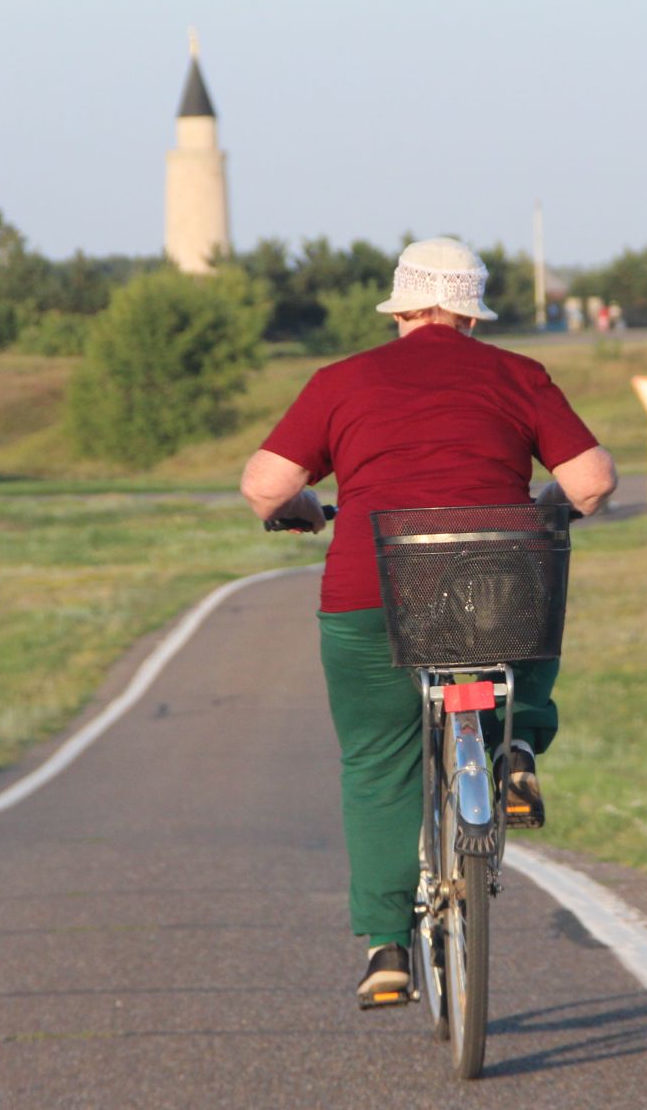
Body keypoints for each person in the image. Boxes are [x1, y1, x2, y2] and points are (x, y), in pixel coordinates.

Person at [240, 236, 617, 1003]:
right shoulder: (518, 375)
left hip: (372, 593)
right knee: (535, 590)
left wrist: (307, 510)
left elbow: (262, 487)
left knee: (378, 761)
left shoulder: (342, 380)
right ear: (472, 315)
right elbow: (592, 481)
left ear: (402, 306)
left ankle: (386, 949)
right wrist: (547, 506)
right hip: (495, 592)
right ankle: (513, 744)